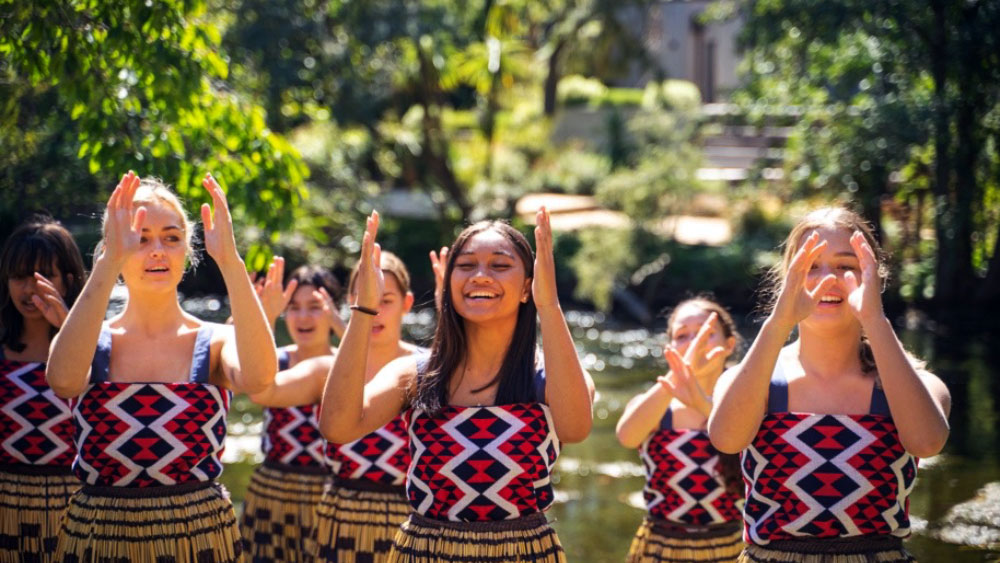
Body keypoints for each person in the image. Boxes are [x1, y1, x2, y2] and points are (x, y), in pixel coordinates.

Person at [321, 209, 594, 563]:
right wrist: (363, 310)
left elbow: (575, 428)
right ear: (449, 283)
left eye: (499, 265)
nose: (480, 276)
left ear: (528, 286)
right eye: (465, 265)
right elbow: (337, 427)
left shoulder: (548, 376)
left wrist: (550, 304)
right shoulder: (415, 375)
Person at [46, 172, 278, 562]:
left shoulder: (216, 341)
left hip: (199, 539)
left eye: (171, 238)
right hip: (100, 539)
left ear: (187, 250)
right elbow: (63, 381)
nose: (157, 250)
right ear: (112, 248)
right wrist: (108, 263)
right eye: (140, 238)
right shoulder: (89, 341)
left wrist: (230, 261)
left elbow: (259, 378)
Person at [708, 207, 951, 562]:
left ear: (874, 277)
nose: (828, 279)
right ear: (787, 279)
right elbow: (726, 438)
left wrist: (874, 318)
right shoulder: (748, 380)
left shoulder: (919, 384)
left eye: (846, 266)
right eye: (811, 266)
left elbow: (927, 442)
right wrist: (779, 322)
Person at [247, 250, 424, 563]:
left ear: (406, 303)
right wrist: (259, 318)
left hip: (407, 521)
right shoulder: (326, 370)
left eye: (386, 300)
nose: (375, 309)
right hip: (339, 522)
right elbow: (261, 390)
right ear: (351, 302)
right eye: (366, 298)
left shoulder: (428, 367)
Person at [616, 297, 744, 562]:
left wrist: (703, 403)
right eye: (683, 336)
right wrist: (680, 372)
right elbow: (626, 436)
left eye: (706, 333)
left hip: (730, 549)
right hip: (660, 548)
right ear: (670, 348)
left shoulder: (749, 406)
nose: (694, 343)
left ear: (729, 345)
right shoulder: (656, 407)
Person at [240, 259, 343, 562]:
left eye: (314, 306)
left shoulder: (350, 366)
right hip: (272, 494)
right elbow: (241, 382)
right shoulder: (272, 361)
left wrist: (346, 330)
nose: (303, 317)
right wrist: (264, 317)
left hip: (331, 499)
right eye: (294, 307)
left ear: (334, 310)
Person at [0, 215, 86, 561]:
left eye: (42, 276)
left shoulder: (98, 347)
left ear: (68, 281)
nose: (28, 290)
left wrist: (70, 328)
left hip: (74, 511)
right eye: (18, 277)